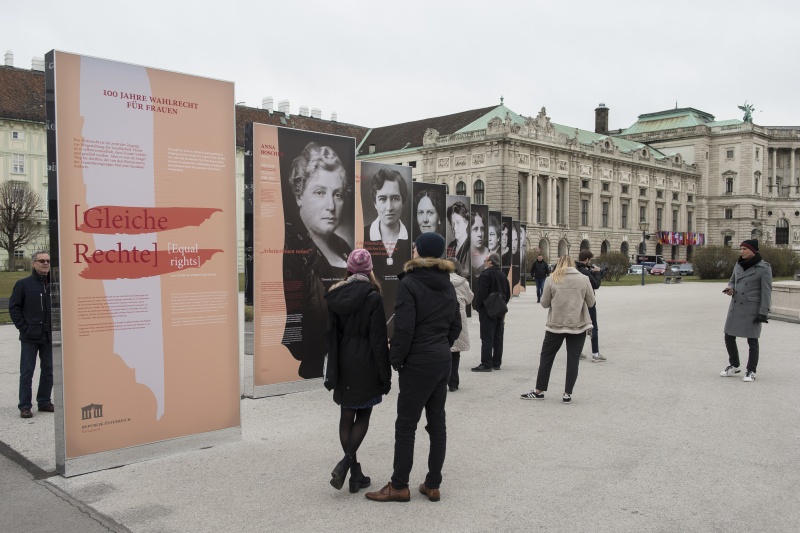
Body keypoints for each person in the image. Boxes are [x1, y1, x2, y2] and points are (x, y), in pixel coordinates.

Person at [365, 232, 461, 503]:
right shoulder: (447, 283)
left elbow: (404, 328)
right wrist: (440, 345)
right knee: (437, 423)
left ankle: (399, 485)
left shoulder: (409, 282)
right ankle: (433, 484)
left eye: (416, 247)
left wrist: (396, 359)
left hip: (418, 361)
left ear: (420, 251)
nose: (413, 251)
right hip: (441, 359)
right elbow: (456, 325)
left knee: (406, 425)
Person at [324, 249, 391, 492]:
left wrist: (332, 368)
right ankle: (347, 463)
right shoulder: (373, 297)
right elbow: (378, 341)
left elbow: (331, 335)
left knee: (346, 414)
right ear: (370, 269)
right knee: (363, 415)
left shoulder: (335, 295)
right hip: (366, 362)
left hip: (343, 361)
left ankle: (355, 473)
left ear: (350, 268)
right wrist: (385, 376)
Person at [284, 142, 353, 379]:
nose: (331, 206)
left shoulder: (344, 247)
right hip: (307, 365)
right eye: (320, 192)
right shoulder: (289, 247)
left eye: (337, 194)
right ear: (299, 194)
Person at [521, 255, 595, 403]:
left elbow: (544, 303)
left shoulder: (552, 279)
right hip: (577, 324)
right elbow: (591, 302)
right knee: (573, 359)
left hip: (556, 324)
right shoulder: (584, 279)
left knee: (546, 358)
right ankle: (567, 393)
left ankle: (539, 390)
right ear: (573, 264)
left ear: (558, 264)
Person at [9, 250, 53, 419]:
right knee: (27, 371)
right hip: (30, 335)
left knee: (48, 370)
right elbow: (14, 307)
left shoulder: (53, 285)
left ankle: (44, 401)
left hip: (48, 335)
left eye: (48, 261)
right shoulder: (23, 284)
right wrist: (23, 327)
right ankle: (25, 406)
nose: (45, 263)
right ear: (33, 263)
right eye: (41, 261)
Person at [720, 239, 772, 382]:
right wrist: (730, 289)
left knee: (752, 340)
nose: (742, 251)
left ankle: (751, 370)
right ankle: (734, 365)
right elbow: (732, 280)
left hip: (752, 308)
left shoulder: (764, 268)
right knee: (728, 336)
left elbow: (766, 292)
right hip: (736, 306)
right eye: (741, 248)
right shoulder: (738, 264)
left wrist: (763, 312)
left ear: (753, 251)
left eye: (745, 249)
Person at [363, 168, 410, 274]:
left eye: (395, 198)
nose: (389, 208)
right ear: (375, 203)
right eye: (382, 199)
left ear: (403, 202)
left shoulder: (413, 237)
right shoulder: (361, 236)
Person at [472, 252, 510, 372]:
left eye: (486, 260)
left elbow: (481, 294)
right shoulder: (503, 275)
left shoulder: (485, 275)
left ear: (490, 262)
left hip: (487, 310)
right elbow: (508, 293)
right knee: (498, 336)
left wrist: (479, 307)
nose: (484, 262)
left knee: (487, 337)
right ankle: (496, 362)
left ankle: (486, 363)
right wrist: (502, 305)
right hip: (500, 310)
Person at [446, 257, 473, 392]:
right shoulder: (463, 282)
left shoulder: (440, 280)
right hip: (459, 317)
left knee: (442, 349)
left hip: (443, 316)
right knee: (455, 352)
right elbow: (469, 299)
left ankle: (441, 380)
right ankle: (453, 383)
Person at [575, 249, 606, 362]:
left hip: (577, 301)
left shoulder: (576, 269)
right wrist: (597, 273)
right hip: (588, 302)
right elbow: (596, 284)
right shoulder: (585, 271)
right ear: (587, 259)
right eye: (590, 259)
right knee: (593, 327)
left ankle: (577, 352)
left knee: (579, 327)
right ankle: (595, 353)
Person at [446, 202, 470, 274]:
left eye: (458, 222)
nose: (454, 228)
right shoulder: (451, 246)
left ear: (466, 223)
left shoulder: (471, 247)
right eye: (452, 223)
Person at [470, 211, 488, 282]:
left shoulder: (490, 254)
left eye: (482, 229)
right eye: (475, 229)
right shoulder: (463, 254)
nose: (480, 234)